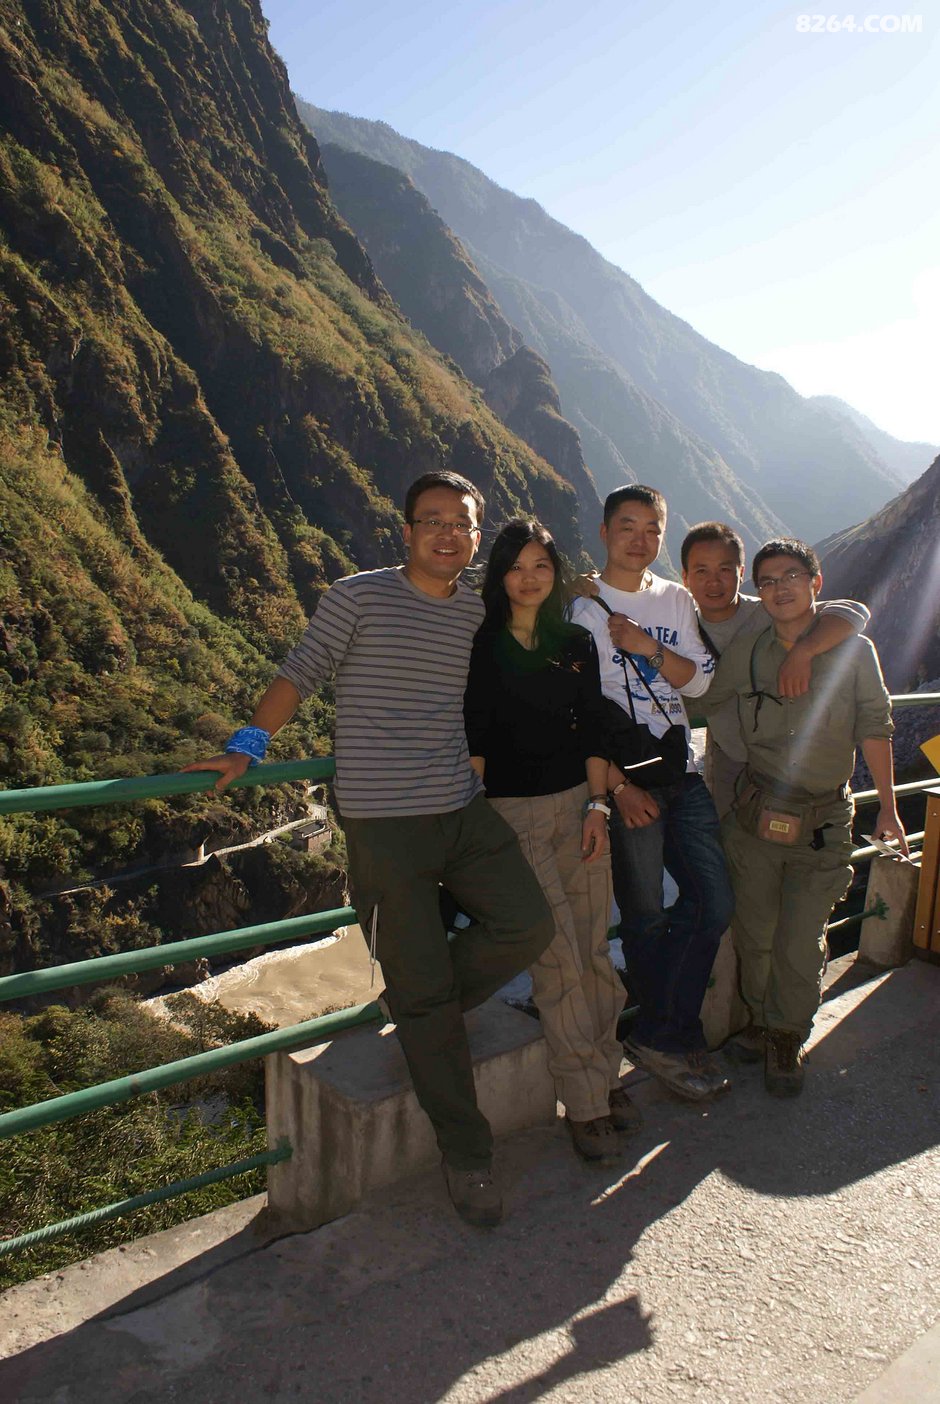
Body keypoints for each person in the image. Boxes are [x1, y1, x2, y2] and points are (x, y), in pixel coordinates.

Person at [183, 471, 554, 1228]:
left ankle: (423, 1003)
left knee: (527, 925)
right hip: (385, 825)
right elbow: (301, 673)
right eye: (433, 520)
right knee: (425, 999)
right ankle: (468, 1154)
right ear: (407, 530)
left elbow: (539, 630)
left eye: (462, 522)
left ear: (477, 537)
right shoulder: (358, 596)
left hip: (461, 808)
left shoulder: (479, 610)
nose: (448, 533)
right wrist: (247, 745)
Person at [698, 538, 907, 1095]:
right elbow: (709, 699)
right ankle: (764, 1022)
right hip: (756, 815)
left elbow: (875, 726)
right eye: (767, 581)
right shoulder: (749, 651)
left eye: (791, 575)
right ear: (758, 592)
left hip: (823, 822)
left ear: (816, 583)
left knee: (799, 937)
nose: (780, 587)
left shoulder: (854, 654)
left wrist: (888, 808)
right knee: (755, 934)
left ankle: (787, 1036)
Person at [464, 519, 640, 1164]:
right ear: (499, 575)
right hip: (513, 817)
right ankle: (587, 1103)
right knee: (559, 962)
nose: (530, 577)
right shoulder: (481, 644)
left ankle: (605, 1073)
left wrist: (598, 806)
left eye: (541, 565)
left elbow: (593, 728)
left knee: (594, 951)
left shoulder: (573, 641)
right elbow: (476, 741)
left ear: (555, 572)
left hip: (578, 809)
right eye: (516, 566)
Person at [570, 485, 734, 1102]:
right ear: (606, 531)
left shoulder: (674, 598)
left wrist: (648, 646)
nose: (639, 540)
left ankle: (660, 1031)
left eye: (651, 529)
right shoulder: (580, 609)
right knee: (644, 917)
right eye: (627, 527)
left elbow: (699, 682)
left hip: (680, 772)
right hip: (626, 779)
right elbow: (578, 709)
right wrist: (616, 786)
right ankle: (672, 1035)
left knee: (712, 902)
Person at [680, 522, 871, 818]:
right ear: (685, 577)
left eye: (725, 570)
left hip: (784, 766)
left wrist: (803, 651)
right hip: (730, 761)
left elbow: (852, 612)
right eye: (701, 571)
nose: (714, 582)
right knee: (734, 851)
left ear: (742, 573)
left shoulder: (770, 610)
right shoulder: (680, 626)